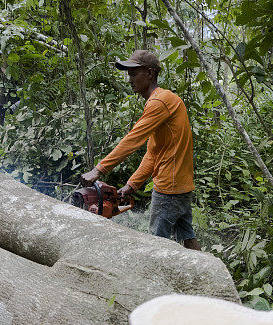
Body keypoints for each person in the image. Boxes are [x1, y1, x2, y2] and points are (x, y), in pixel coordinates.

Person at [80, 50, 201, 251]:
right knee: (187, 238)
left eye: (134, 74)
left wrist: (99, 169)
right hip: (181, 187)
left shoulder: (158, 102)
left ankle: (158, 281)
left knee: (155, 245)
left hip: (168, 190)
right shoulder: (164, 100)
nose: (130, 79)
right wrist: (132, 185)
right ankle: (204, 278)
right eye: (129, 74)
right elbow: (154, 153)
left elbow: (133, 140)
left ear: (150, 73)